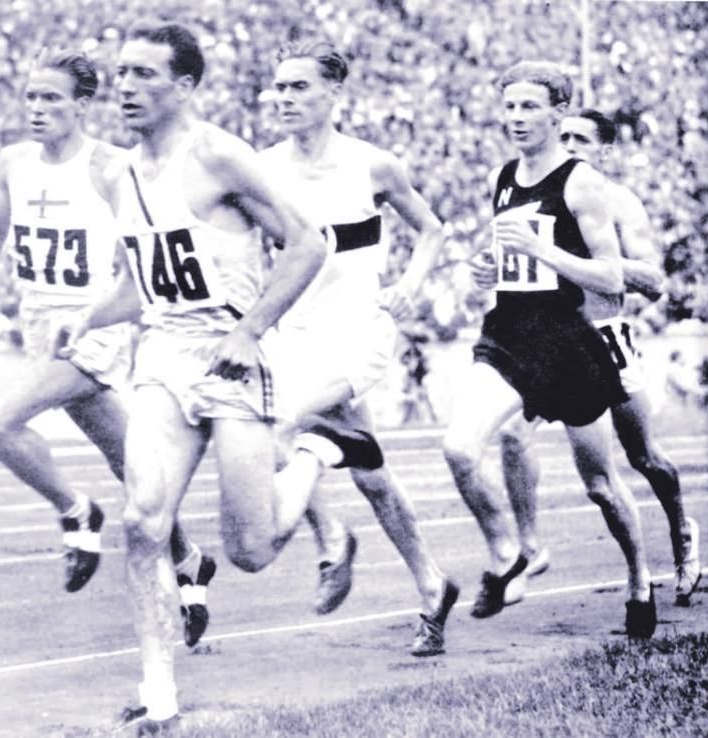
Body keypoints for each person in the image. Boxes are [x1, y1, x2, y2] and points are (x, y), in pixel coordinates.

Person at [54, 19, 368, 733]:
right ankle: (159, 693)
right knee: (141, 521)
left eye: (144, 74)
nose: (125, 87)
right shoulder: (114, 172)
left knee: (250, 551)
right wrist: (88, 318)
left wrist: (248, 331)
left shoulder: (220, 157)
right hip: (165, 355)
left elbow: (307, 244)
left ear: (185, 85)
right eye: (121, 73)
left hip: (232, 359)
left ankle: (317, 454)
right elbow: (145, 286)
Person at [0, 49, 214, 646]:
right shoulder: (12, 162)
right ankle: (191, 561)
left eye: (51, 98)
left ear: (81, 105)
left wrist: (133, 313)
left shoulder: (111, 168)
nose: (37, 108)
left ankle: (77, 512)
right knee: (133, 464)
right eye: (31, 97)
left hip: (96, 328)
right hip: (41, 325)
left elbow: (150, 249)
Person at [259, 34, 458, 657]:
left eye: (298, 86)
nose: (283, 97)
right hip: (293, 334)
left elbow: (431, 229)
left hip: (360, 332)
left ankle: (330, 543)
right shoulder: (263, 169)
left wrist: (409, 284)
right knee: (370, 473)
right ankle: (431, 584)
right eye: (279, 86)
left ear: (333, 93)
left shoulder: (373, 165)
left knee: (283, 426)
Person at [443, 61, 656, 638]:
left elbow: (612, 278)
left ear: (559, 111)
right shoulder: (503, 174)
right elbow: (509, 260)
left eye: (529, 106)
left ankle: (639, 581)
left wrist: (542, 251)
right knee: (461, 447)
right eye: (509, 106)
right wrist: (489, 268)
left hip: (567, 340)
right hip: (510, 332)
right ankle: (512, 552)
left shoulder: (582, 181)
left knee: (601, 486)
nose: (516, 117)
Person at [495, 109, 701, 606]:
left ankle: (681, 529)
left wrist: (582, 253)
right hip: (549, 342)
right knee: (518, 436)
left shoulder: (617, 202)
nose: (568, 144)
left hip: (606, 338)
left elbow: (653, 282)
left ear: (606, 151)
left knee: (645, 458)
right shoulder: (538, 194)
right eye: (563, 135)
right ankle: (528, 550)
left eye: (581, 139)